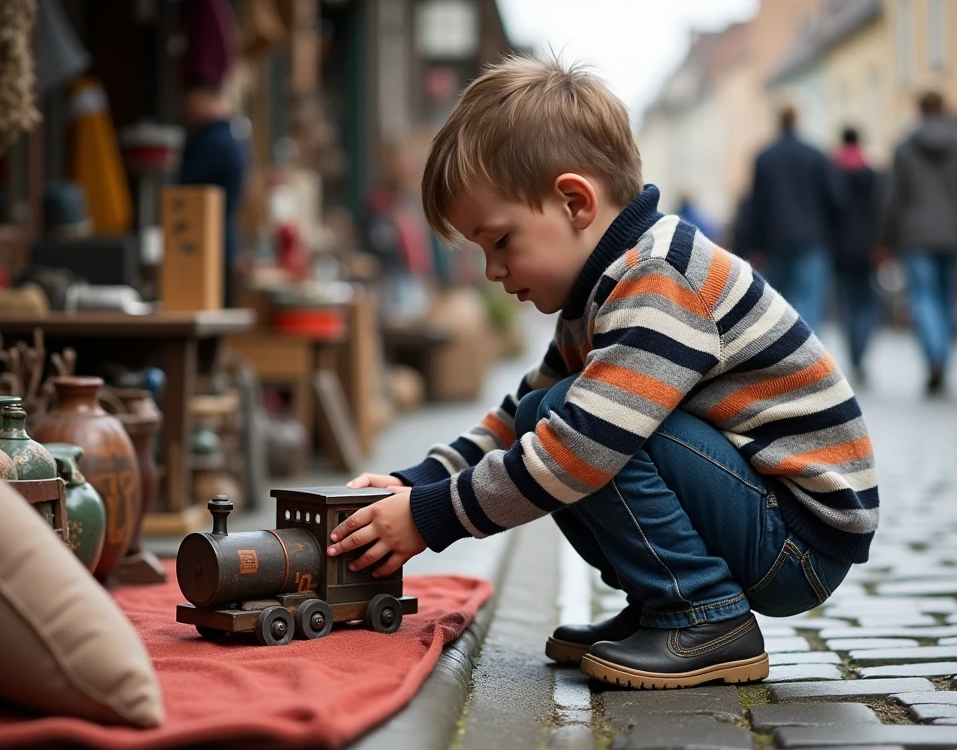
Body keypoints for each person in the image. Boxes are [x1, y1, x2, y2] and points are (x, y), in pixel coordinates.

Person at [324, 56, 878, 690]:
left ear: (574, 202)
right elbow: (516, 416)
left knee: (583, 428)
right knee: (547, 411)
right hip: (759, 513)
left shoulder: (659, 276)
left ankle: (703, 611)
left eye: (501, 241)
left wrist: (430, 517)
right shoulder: (598, 291)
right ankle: (662, 602)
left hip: (797, 540)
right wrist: (412, 483)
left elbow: (582, 448)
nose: (492, 271)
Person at [880, 91, 957, 396]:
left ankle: (933, 356)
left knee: (922, 297)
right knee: (946, 299)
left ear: (919, 109)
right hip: (953, 234)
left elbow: (892, 198)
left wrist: (885, 239)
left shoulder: (904, 147)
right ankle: (942, 356)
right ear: (944, 108)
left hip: (915, 235)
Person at [746, 105, 844, 331]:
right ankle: (810, 358)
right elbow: (835, 200)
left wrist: (753, 245)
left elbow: (756, 206)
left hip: (776, 241)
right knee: (810, 301)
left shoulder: (765, 158)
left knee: (778, 305)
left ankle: (784, 358)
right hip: (813, 239)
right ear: (798, 119)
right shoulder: (816, 155)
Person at [177, 81, 249, 308]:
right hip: (223, 241)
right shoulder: (233, 135)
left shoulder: (214, 140)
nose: (185, 110)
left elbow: (183, 189)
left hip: (206, 248)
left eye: (189, 102)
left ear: (202, 98)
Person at [831, 127, 882, 386]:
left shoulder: (833, 172)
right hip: (868, 249)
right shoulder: (872, 174)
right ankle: (861, 354)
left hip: (840, 250)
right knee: (867, 304)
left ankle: (854, 355)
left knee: (847, 304)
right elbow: (880, 211)